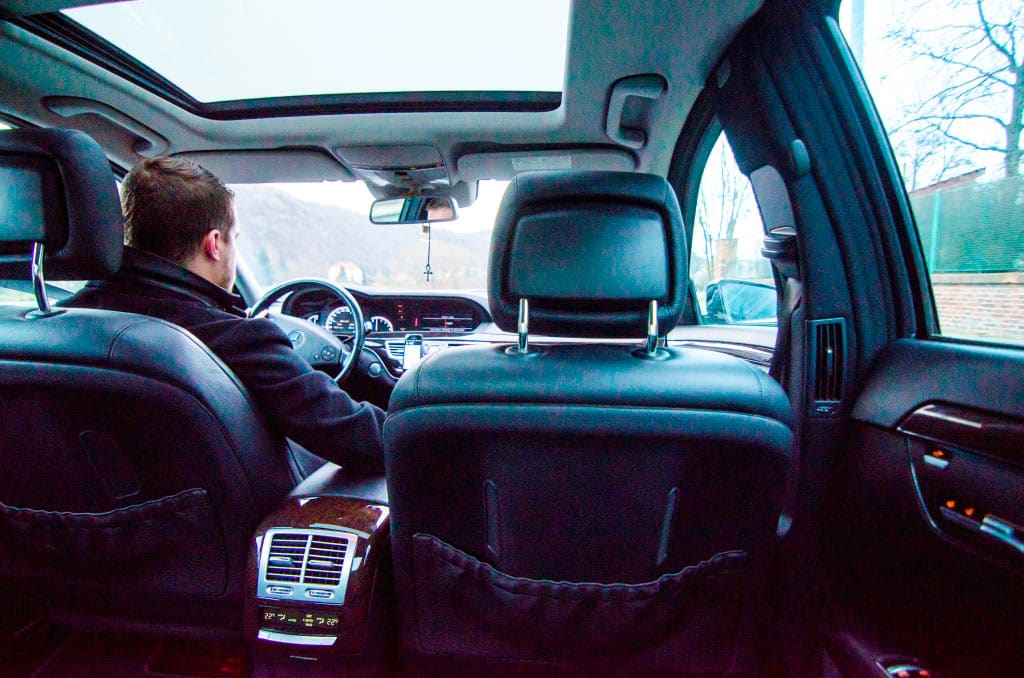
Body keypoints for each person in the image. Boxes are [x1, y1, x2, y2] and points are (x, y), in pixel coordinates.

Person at [64, 157, 385, 474]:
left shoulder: (60, 323)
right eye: (236, 239)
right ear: (214, 244)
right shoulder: (238, 340)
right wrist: (414, 418)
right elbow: (364, 440)